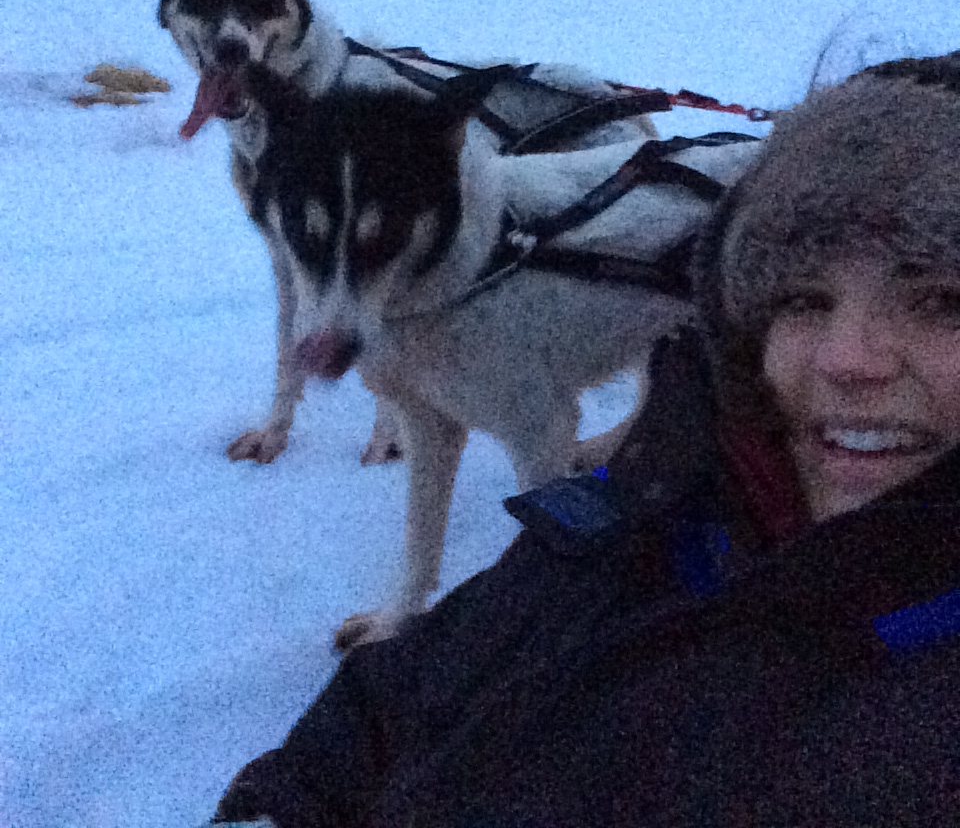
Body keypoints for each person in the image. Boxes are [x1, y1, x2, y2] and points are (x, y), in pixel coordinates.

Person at [213, 55, 960, 828]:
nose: (851, 360)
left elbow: (544, 440)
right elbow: (404, 696)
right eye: (806, 299)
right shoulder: (627, 535)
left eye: (942, 302)